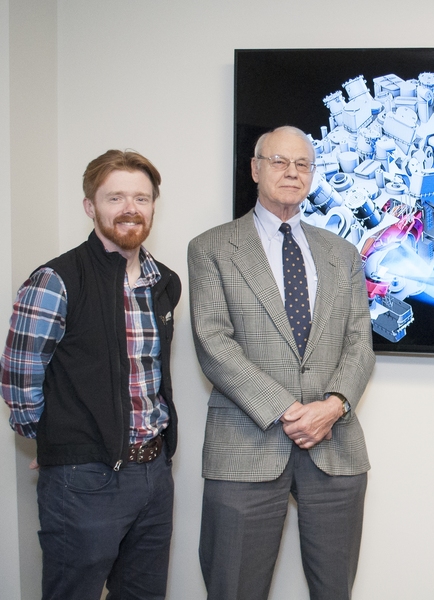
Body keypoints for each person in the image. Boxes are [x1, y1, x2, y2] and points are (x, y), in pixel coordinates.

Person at [188, 125, 375, 600]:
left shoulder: (343, 253)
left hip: (335, 445)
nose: (292, 172)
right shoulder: (211, 248)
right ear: (255, 169)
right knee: (234, 589)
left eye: (303, 164)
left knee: (335, 591)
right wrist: (289, 411)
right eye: (279, 161)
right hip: (244, 446)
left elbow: (360, 342)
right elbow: (213, 342)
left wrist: (332, 406)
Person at [1, 149, 180, 599]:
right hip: (84, 480)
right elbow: (19, 378)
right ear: (90, 206)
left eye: (141, 198)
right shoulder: (56, 280)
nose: (129, 209)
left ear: (153, 206)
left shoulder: (164, 282)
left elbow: (151, 374)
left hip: (154, 475)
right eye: (115, 197)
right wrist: (60, 444)